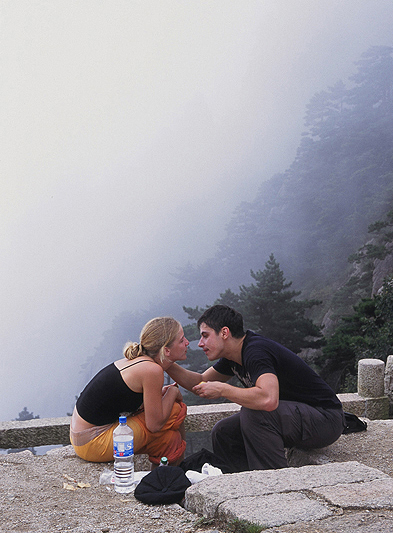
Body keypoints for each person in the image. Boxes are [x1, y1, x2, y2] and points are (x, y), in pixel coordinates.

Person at [165, 304, 345, 472]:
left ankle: (274, 484)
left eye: (205, 335)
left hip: (326, 419)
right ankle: (241, 482)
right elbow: (201, 381)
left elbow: (268, 399)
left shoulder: (255, 351)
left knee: (254, 413)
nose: (200, 343)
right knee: (223, 431)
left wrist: (223, 390)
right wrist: (166, 364)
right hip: (298, 417)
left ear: (225, 332)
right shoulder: (233, 356)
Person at [70, 317, 189, 467]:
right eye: (181, 340)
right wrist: (172, 392)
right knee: (174, 409)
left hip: (82, 437)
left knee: (170, 439)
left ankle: (164, 481)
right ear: (166, 350)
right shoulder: (153, 370)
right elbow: (154, 425)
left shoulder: (140, 361)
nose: (187, 343)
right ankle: (176, 475)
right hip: (93, 441)